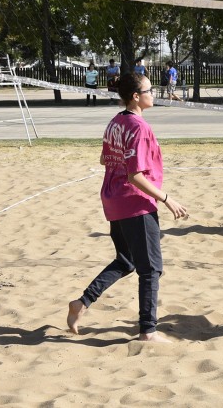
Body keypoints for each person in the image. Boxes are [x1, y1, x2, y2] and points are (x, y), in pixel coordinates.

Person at [67, 72, 188, 342]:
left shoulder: (115, 122)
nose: (153, 93)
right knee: (151, 269)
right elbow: (135, 175)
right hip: (134, 203)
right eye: (149, 90)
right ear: (136, 96)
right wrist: (167, 199)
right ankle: (148, 331)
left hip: (114, 199)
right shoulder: (139, 127)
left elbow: (103, 158)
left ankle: (82, 303)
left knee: (126, 261)